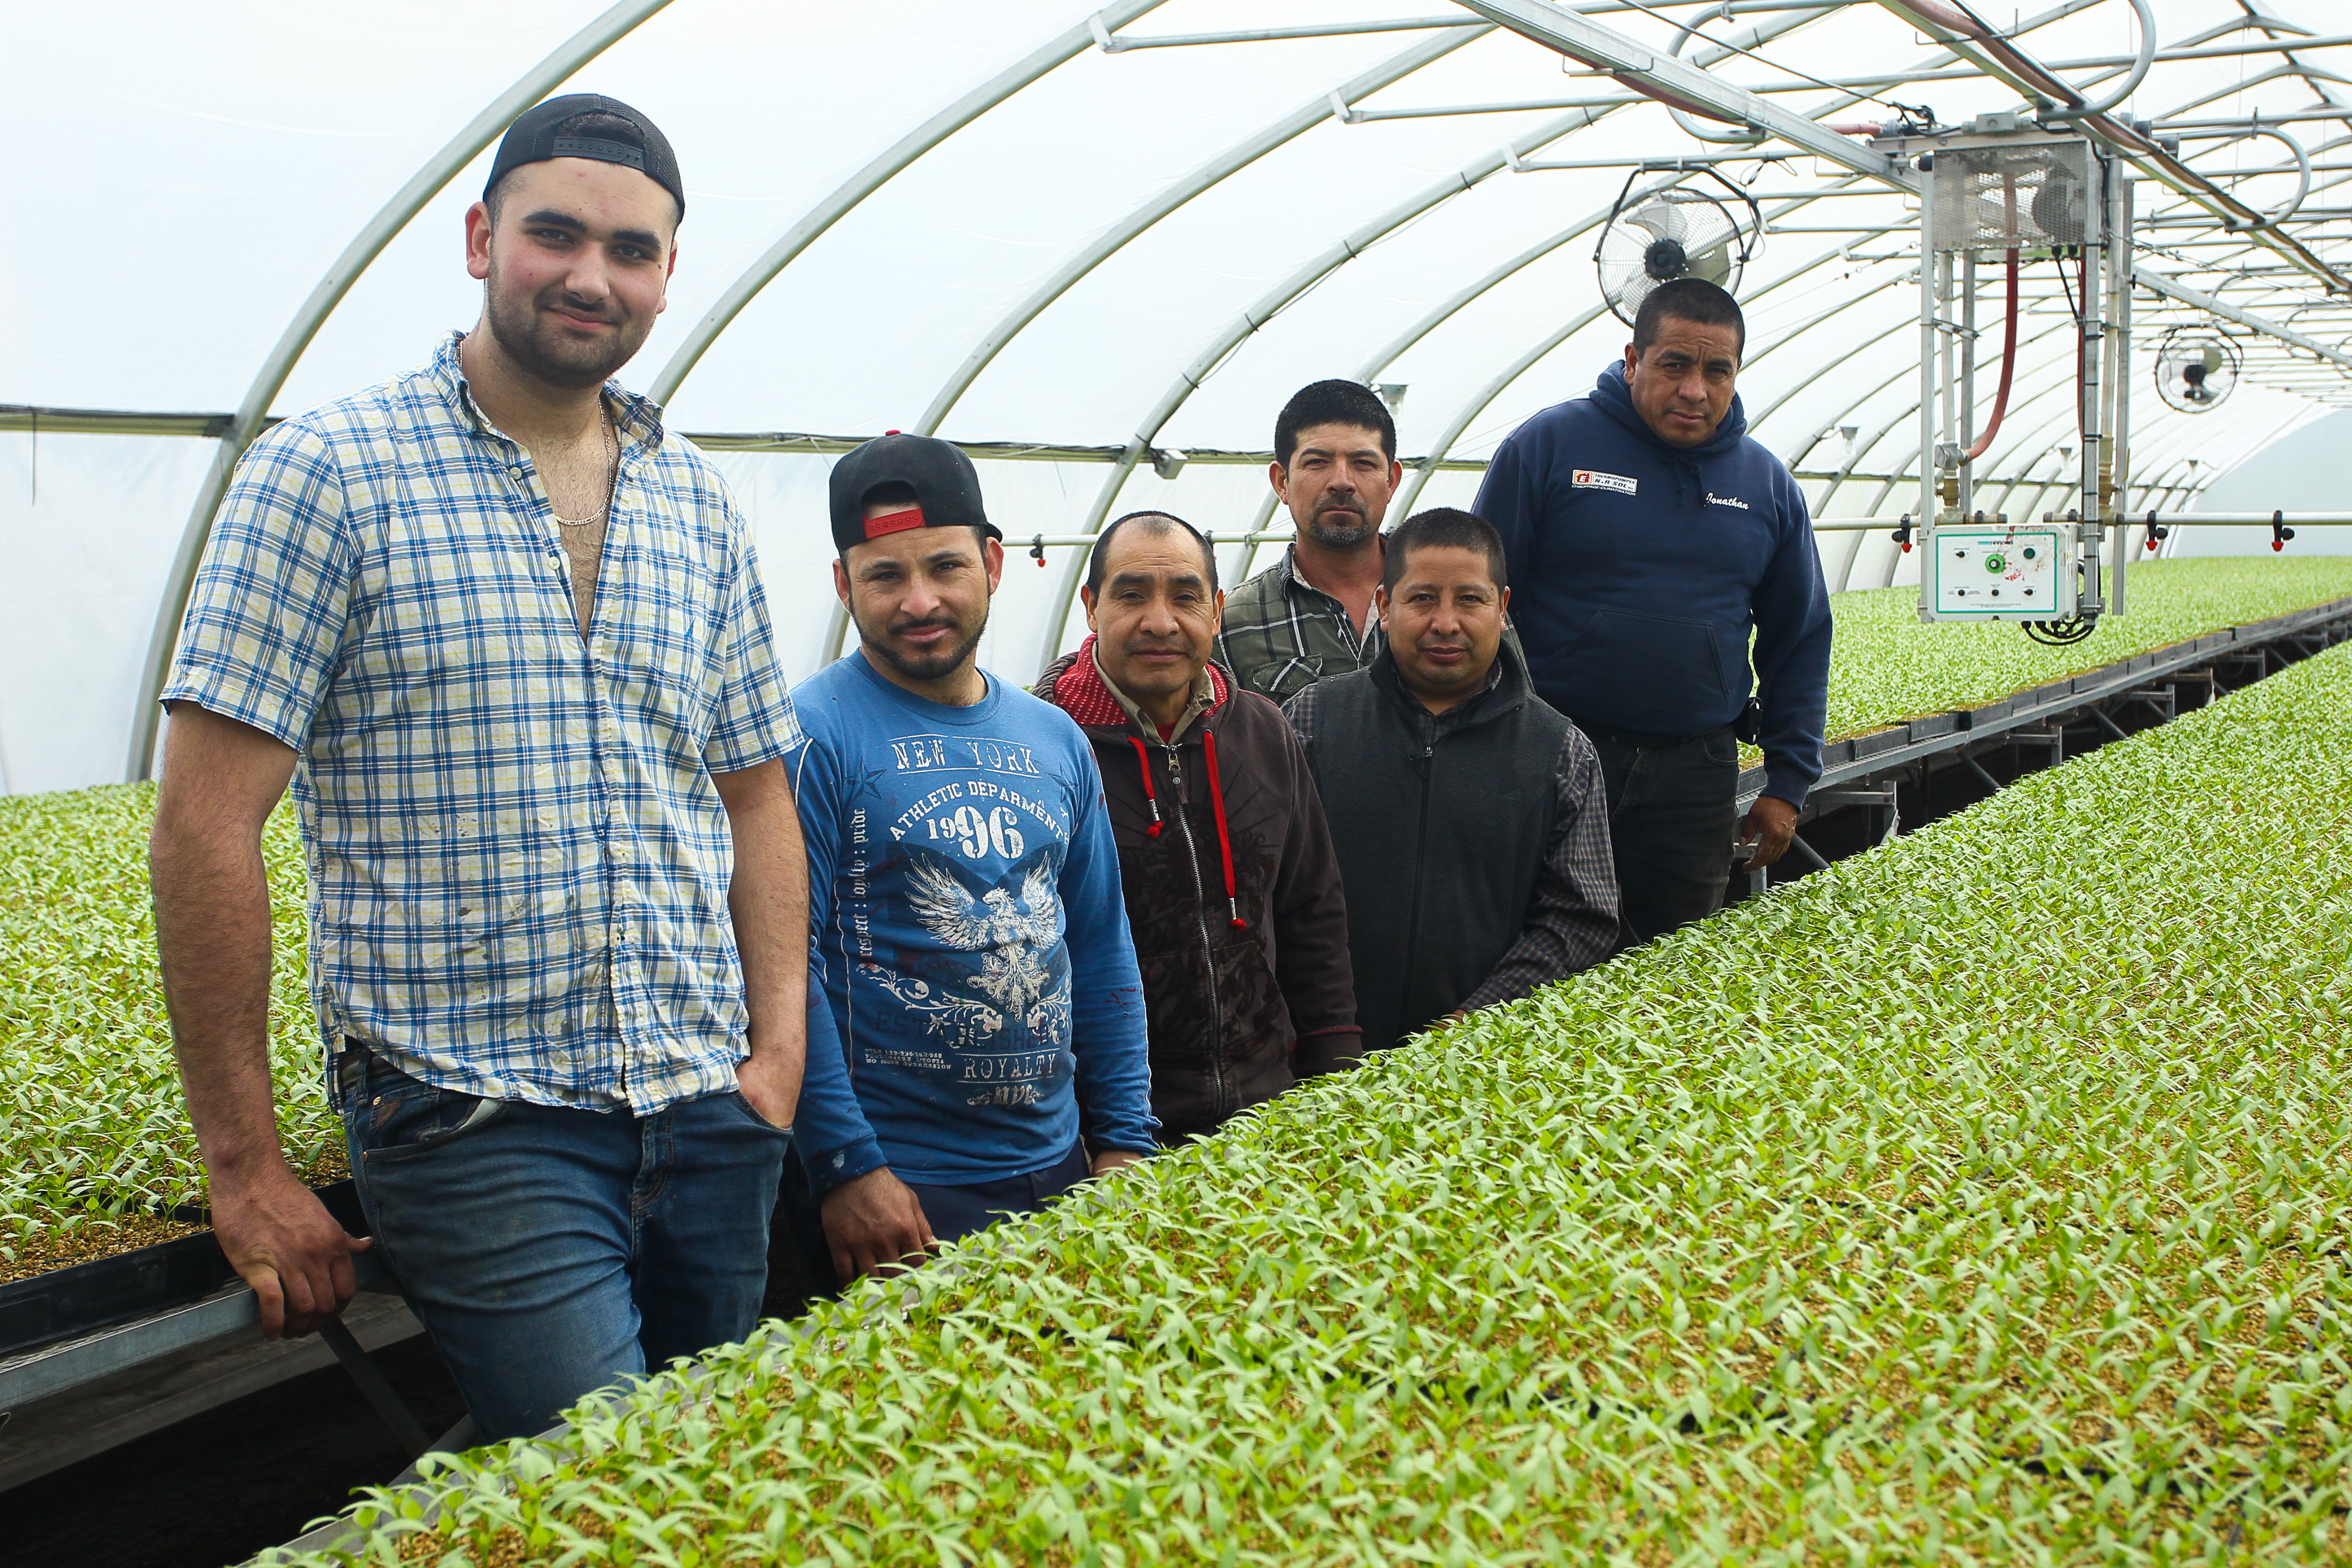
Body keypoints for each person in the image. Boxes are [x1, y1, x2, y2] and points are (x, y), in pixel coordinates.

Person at [150, 95, 808, 1442]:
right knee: (609, 1478)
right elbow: (204, 826)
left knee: (708, 1471)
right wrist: (244, 1162)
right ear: (478, 238)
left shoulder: (694, 496)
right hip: (475, 1114)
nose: (589, 275)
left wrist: (779, 1048)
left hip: (704, 1103)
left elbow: (755, 793)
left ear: (669, 274)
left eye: (631, 249)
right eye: (552, 234)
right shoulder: (330, 473)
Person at [790, 433, 1156, 1287]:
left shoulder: (1054, 738)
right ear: (844, 584)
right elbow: (785, 970)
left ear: (993, 563)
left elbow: (1100, 945)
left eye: (946, 568)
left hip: (1061, 1165)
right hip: (901, 1194)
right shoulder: (813, 735)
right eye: (885, 576)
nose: (920, 601)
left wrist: (1127, 1141)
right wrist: (847, 1166)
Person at [1472, 277, 1832, 945]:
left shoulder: (1766, 484)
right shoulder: (1549, 447)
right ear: (1634, 360)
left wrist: (1788, 780)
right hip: (1555, 755)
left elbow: (1800, 636)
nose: (1694, 389)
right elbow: (1481, 598)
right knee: (1535, 946)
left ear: (1735, 376)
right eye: (1674, 364)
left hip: (1692, 775)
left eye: (1716, 370)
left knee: (1675, 961)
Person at [1037, 511, 1361, 1142]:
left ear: (1216, 611)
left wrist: (1333, 1074)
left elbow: (1312, 909)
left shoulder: (1263, 732)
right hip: (1110, 1135)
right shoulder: (1046, 749)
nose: (1160, 621)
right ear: (1091, 608)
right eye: (1131, 595)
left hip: (1269, 1106)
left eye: (1185, 596)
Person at [1284, 509, 1621, 1055]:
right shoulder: (1312, 720)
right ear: (1386, 606)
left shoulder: (1560, 750)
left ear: (1502, 608)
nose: (1446, 623)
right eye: (1422, 599)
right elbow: (1265, 883)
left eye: (1470, 599)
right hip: (1316, 1047)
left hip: (1485, 1061)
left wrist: (1473, 1022)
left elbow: (1580, 918)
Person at [1214, 379, 1400, 703]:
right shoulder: (1233, 621)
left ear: (1391, 481)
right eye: (1317, 462)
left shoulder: (1450, 598)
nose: (1342, 482)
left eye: (1364, 464)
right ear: (1282, 482)